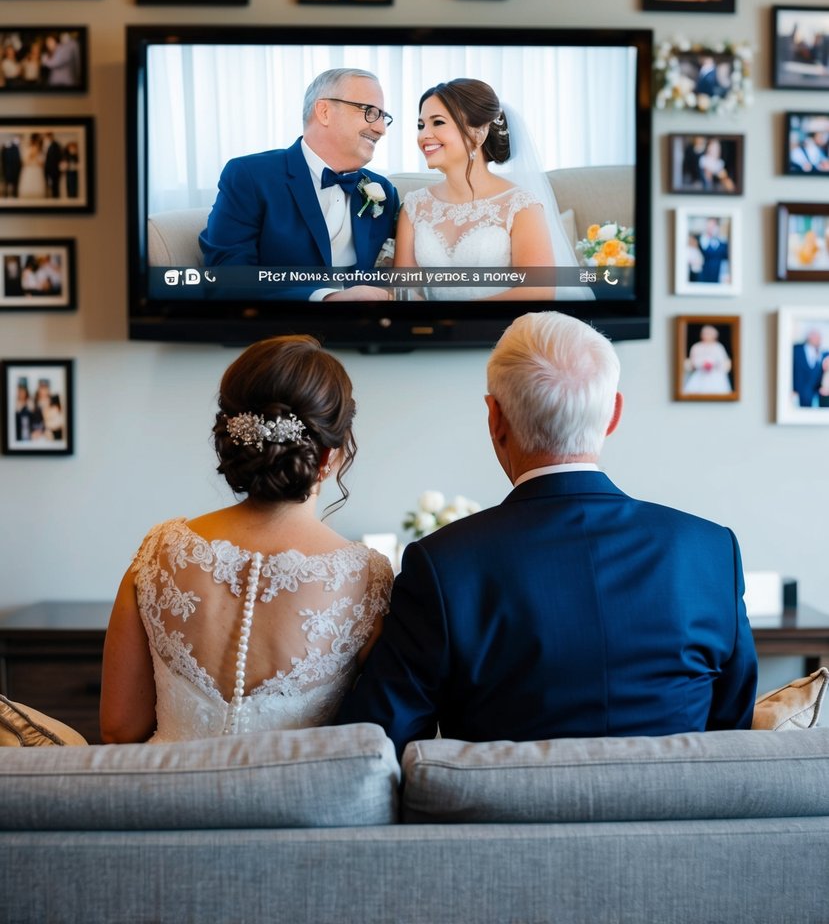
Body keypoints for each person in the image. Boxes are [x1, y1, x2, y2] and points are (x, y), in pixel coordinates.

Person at [337, 312, 758, 755]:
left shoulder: (443, 567)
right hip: (680, 820)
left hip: (502, 823)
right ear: (613, 413)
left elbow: (377, 750)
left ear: (495, 418)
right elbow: (731, 736)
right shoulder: (712, 552)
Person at [100, 334, 393, 743]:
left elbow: (119, 727)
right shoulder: (367, 577)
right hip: (296, 806)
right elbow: (379, 732)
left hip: (165, 803)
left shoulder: (159, 550)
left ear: (233, 439)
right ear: (330, 456)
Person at [199, 68, 400, 301]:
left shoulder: (382, 189)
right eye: (369, 112)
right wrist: (326, 297)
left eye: (383, 117)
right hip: (282, 330)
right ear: (324, 112)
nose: (381, 129)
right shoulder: (250, 176)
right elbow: (226, 280)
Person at [393, 78, 581, 301]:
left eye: (438, 122)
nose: (424, 135)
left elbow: (538, 290)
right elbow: (404, 289)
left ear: (478, 133)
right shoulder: (414, 206)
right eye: (421, 125)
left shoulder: (521, 205)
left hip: (505, 330)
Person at [682, 324, 732, 395]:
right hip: (700, 375)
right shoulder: (696, 346)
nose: (707, 336)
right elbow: (693, 361)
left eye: (709, 334)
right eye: (705, 334)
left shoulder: (718, 347)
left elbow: (723, 361)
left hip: (716, 375)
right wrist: (702, 364)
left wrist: (713, 364)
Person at [792, 328, 826, 408]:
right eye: (816, 337)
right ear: (809, 337)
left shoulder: (822, 353)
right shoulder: (796, 350)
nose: (819, 339)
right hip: (797, 393)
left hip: (814, 395)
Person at [697, 217, 729, 283]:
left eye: (713, 226)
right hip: (704, 275)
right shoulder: (701, 240)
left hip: (719, 275)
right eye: (709, 226)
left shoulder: (723, 243)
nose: (711, 228)